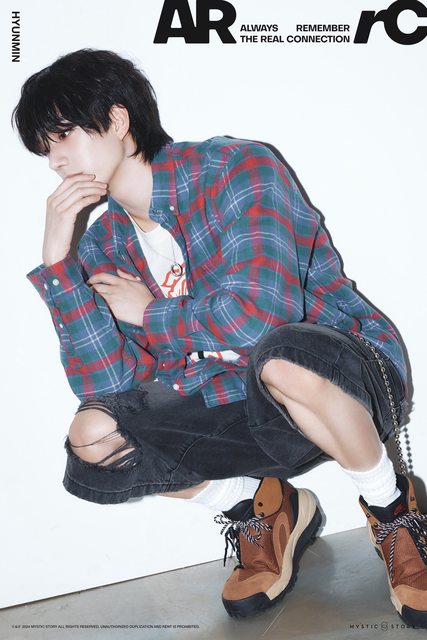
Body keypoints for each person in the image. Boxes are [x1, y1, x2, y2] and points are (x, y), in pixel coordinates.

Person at [12, 48, 427, 628]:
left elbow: (262, 319)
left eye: (63, 136)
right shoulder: (104, 244)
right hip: (237, 403)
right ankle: (264, 508)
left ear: (118, 119)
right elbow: (111, 386)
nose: (55, 159)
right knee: (95, 439)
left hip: (346, 374)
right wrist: (59, 266)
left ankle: (394, 511)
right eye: (45, 148)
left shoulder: (234, 169)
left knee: (281, 359)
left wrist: (151, 312)